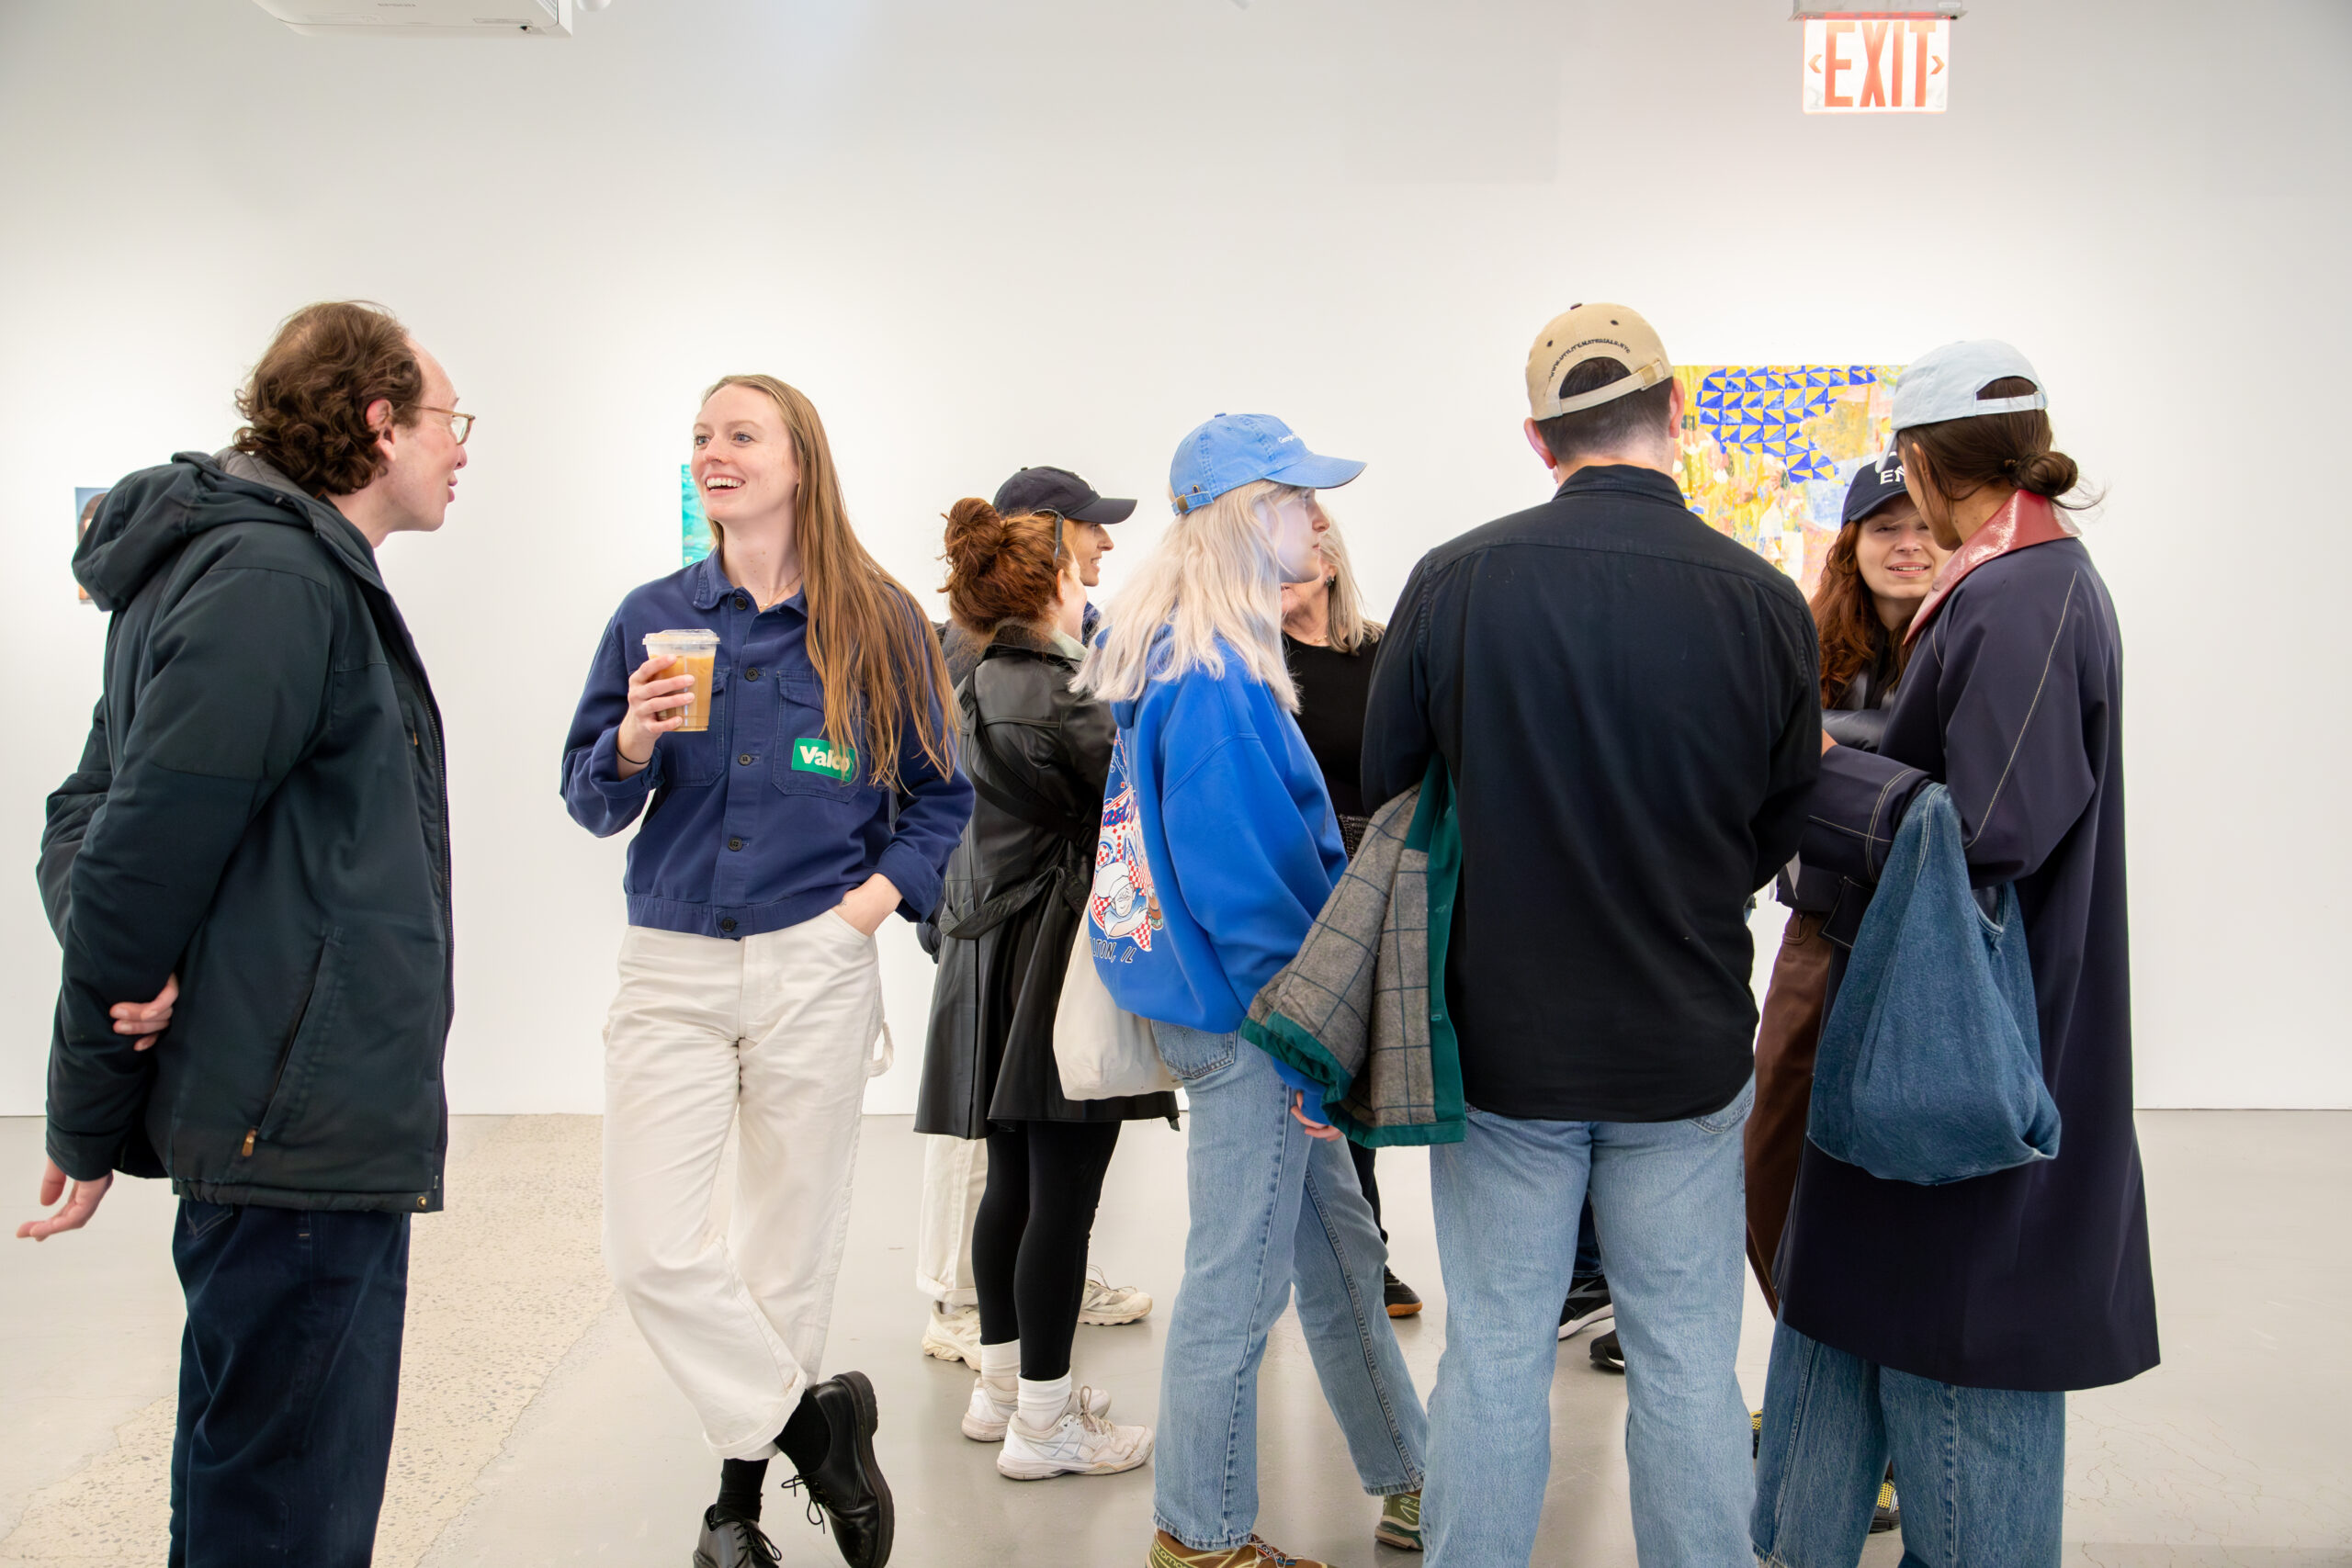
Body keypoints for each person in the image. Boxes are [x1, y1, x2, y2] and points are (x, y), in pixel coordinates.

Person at [1363, 303, 1821, 1566]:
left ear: (1536, 437)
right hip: (1685, 1039)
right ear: (1677, 413)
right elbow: (1786, 812)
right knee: (1687, 1360)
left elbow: (1393, 786)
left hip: (1502, 1043)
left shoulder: (1454, 580)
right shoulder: (1764, 598)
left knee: (1494, 1350)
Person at [22, 300, 467, 1568]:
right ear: (379, 423)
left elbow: (84, 818)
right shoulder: (275, 583)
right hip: (296, 1121)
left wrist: (140, 997)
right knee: (284, 1512)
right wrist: (88, 1110)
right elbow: (123, 856)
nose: (460, 449)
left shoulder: (257, 565)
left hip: (289, 1110)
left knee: (252, 1485)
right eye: (450, 420)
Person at [560, 374, 972, 1568]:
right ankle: (812, 1426)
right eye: (701, 436)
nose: (713, 452)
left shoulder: (880, 621)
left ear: (800, 462)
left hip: (813, 957)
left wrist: (867, 909)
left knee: (787, 1249)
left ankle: (732, 1513)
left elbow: (940, 797)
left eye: (741, 434)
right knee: (652, 1249)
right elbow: (590, 798)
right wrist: (631, 738)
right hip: (672, 958)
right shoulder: (651, 615)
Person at [1754, 342, 2155, 1568]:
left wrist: (1813, 769)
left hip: (1974, 1033)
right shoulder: (2015, 581)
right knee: (1852, 1309)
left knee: (1965, 1333)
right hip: (1935, 1012)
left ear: (1924, 462)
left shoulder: (2026, 594)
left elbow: (1992, 826)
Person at [1078, 413, 1429, 1568]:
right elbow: (1246, 895)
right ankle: (1201, 1536)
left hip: (1231, 1017)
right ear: (1244, 518)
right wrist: (1311, 1051)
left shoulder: (1184, 656)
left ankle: (1412, 1479)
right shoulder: (1218, 680)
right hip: (1256, 1026)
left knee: (1340, 1256)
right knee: (1234, 1290)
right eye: (1298, 499)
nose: (1318, 519)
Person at [915, 499, 1170, 1481]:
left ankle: (1003, 1390)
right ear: (1054, 583)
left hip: (992, 959)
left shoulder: (970, 679)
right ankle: (1048, 1423)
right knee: (1064, 1198)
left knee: (1014, 1185)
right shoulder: (1067, 692)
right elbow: (1132, 806)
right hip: (1058, 964)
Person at [1746, 452, 1950, 1316]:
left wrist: (1833, 747)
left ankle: (1891, 1358)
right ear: (1852, 544)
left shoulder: (1970, 634)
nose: (1907, 544)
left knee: (1917, 1153)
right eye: (1885, 527)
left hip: (1933, 937)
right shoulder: (1808, 642)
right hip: (1820, 929)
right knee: (1772, 1143)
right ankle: (1806, 1344)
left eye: (1923, 526)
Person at [1275, 516, 1427, 1321]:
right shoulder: (1260, 663)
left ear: (1328, 563)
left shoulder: (1383, 650)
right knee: (1313, 1069)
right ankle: (1331, 1258)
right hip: (1301, 882)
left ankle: (1365, 1253)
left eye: (1294, 558)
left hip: (1377, 880)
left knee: (1366, 1072)